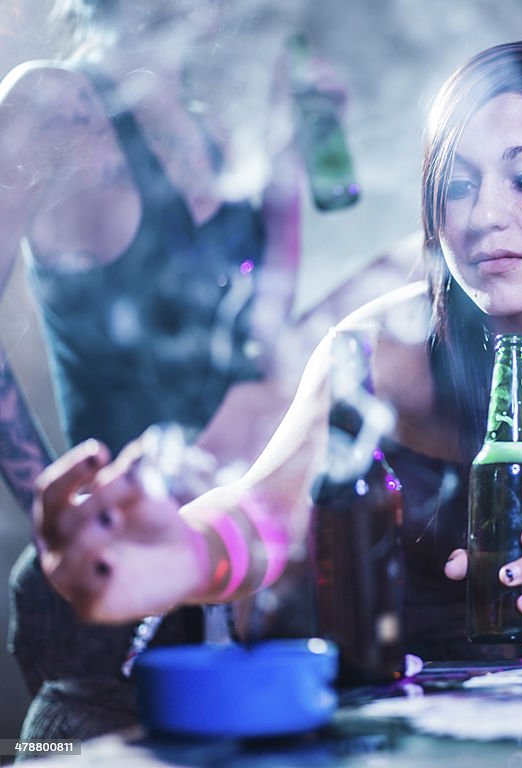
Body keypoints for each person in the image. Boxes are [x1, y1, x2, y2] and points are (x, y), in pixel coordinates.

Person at [33, 38, 522, 660]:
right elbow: (260, 510)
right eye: (457, 185)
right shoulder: (380, 346)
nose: (481, 218)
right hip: (377, 673)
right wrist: (180, 555)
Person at [1, 0, 413, 739]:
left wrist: (289, 159)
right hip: (117, 581)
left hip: (233, 568)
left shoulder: (214, 131)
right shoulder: (54, 104)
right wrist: (64, 506)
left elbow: (262, 336)